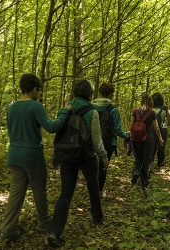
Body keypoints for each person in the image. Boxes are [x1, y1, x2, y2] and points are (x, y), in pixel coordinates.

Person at [0, 74, 71, 243]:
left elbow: (12, 132)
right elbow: (52, 127)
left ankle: (7, 229)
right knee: (39, 190)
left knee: (16, 194)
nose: (39, 93)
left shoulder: (11, 108)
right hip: (32, 156)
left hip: (14, 156)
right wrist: (64, 113)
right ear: (34, 89)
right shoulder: (35, 106)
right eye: (39, 90)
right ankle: (44, 220)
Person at [48, 80, 109, 247]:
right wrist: (103, 156)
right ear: (89, 94)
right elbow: (96, 139)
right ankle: (97, 217)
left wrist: (56, 155)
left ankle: (54, 231)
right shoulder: (92, 111)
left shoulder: (66, 108)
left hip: (67, 155)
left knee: (65, 194)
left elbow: (59, 133)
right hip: (86, 155)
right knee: (93, 187)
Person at [92, 82, 130, 199]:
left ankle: (92, 189)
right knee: (103, 167)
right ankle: (99, 191)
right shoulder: (113, 109)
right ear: (111, 94)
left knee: (93, 165)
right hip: (108, 143)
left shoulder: (91, 106)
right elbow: (118, 130)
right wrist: (126, 135)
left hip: (92, 141)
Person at [130, 93, 163, 188]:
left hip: (137, 138)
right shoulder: (152, 113)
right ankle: (145, 180)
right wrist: (160, 138)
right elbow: (156, 127)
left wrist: (128, 135)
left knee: (138, 157)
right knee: (147, 159)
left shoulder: (135, 111)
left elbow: (131, 125)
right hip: (148, 138)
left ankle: (136, 172)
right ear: (151, 101)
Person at [151, 92, 170, 167]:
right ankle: (160, 162)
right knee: (161, 145)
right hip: (163, 128)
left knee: (152, 146)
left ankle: (150, 162)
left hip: (152, 129)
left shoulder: (150, 109)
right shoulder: (165, 108)